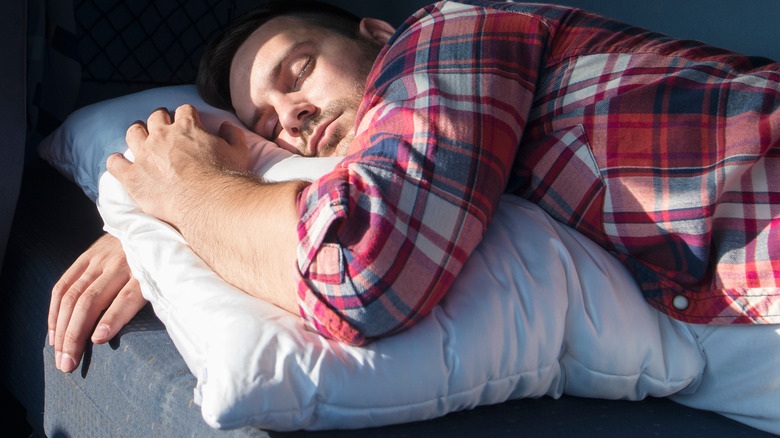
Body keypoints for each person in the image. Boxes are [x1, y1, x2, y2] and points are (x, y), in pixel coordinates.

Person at [48, 0, 780, 431]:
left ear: (373, 31)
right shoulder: (441, 167)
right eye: (267, 127)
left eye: (296, 71)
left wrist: (187, 195)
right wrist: (165, 236)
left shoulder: (451, 31)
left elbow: (364, 270)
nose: (293, 119)